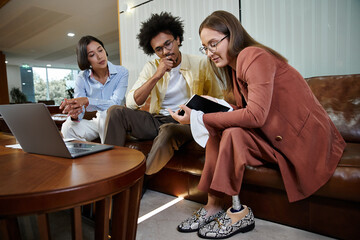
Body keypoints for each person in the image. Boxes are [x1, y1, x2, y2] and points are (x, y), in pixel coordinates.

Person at [169, 10, 346, 239]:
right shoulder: (235, 70)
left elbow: (256, 116)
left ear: (232, 36)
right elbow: (252, 112)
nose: (210, 52)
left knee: (231, 133)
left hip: (305, 142)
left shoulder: (253, 56)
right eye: (205, 47)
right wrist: (208, 111)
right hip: (273, 137)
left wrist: (201, 118)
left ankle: (237, 213)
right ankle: (214, 206)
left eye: (214, 43)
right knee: (221, 132)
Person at [104, 12, 223, 179]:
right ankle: (109, 173)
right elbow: (131, 104)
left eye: (168, 44)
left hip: (186, 122)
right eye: (158, 49)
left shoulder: (201, 63)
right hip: (156, 120)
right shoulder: (152, 67)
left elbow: (217, 99)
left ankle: (139, 181)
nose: (166, 52)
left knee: (168, 130)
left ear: (178, 39)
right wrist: (157, 75)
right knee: (116, 111)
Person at [60, 35, 128, 143]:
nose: (100, 56)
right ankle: (80, 157)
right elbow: (80, 111)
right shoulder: (82, 77)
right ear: (86, 60)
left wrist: (87, 101)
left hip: (118, 121)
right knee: (67, 126)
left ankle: (108, 156)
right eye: (92, 55)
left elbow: (116, 103)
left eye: (100, 50)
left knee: (107, 113)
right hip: (99, 120)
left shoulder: (122, 72)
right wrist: (75, 114)